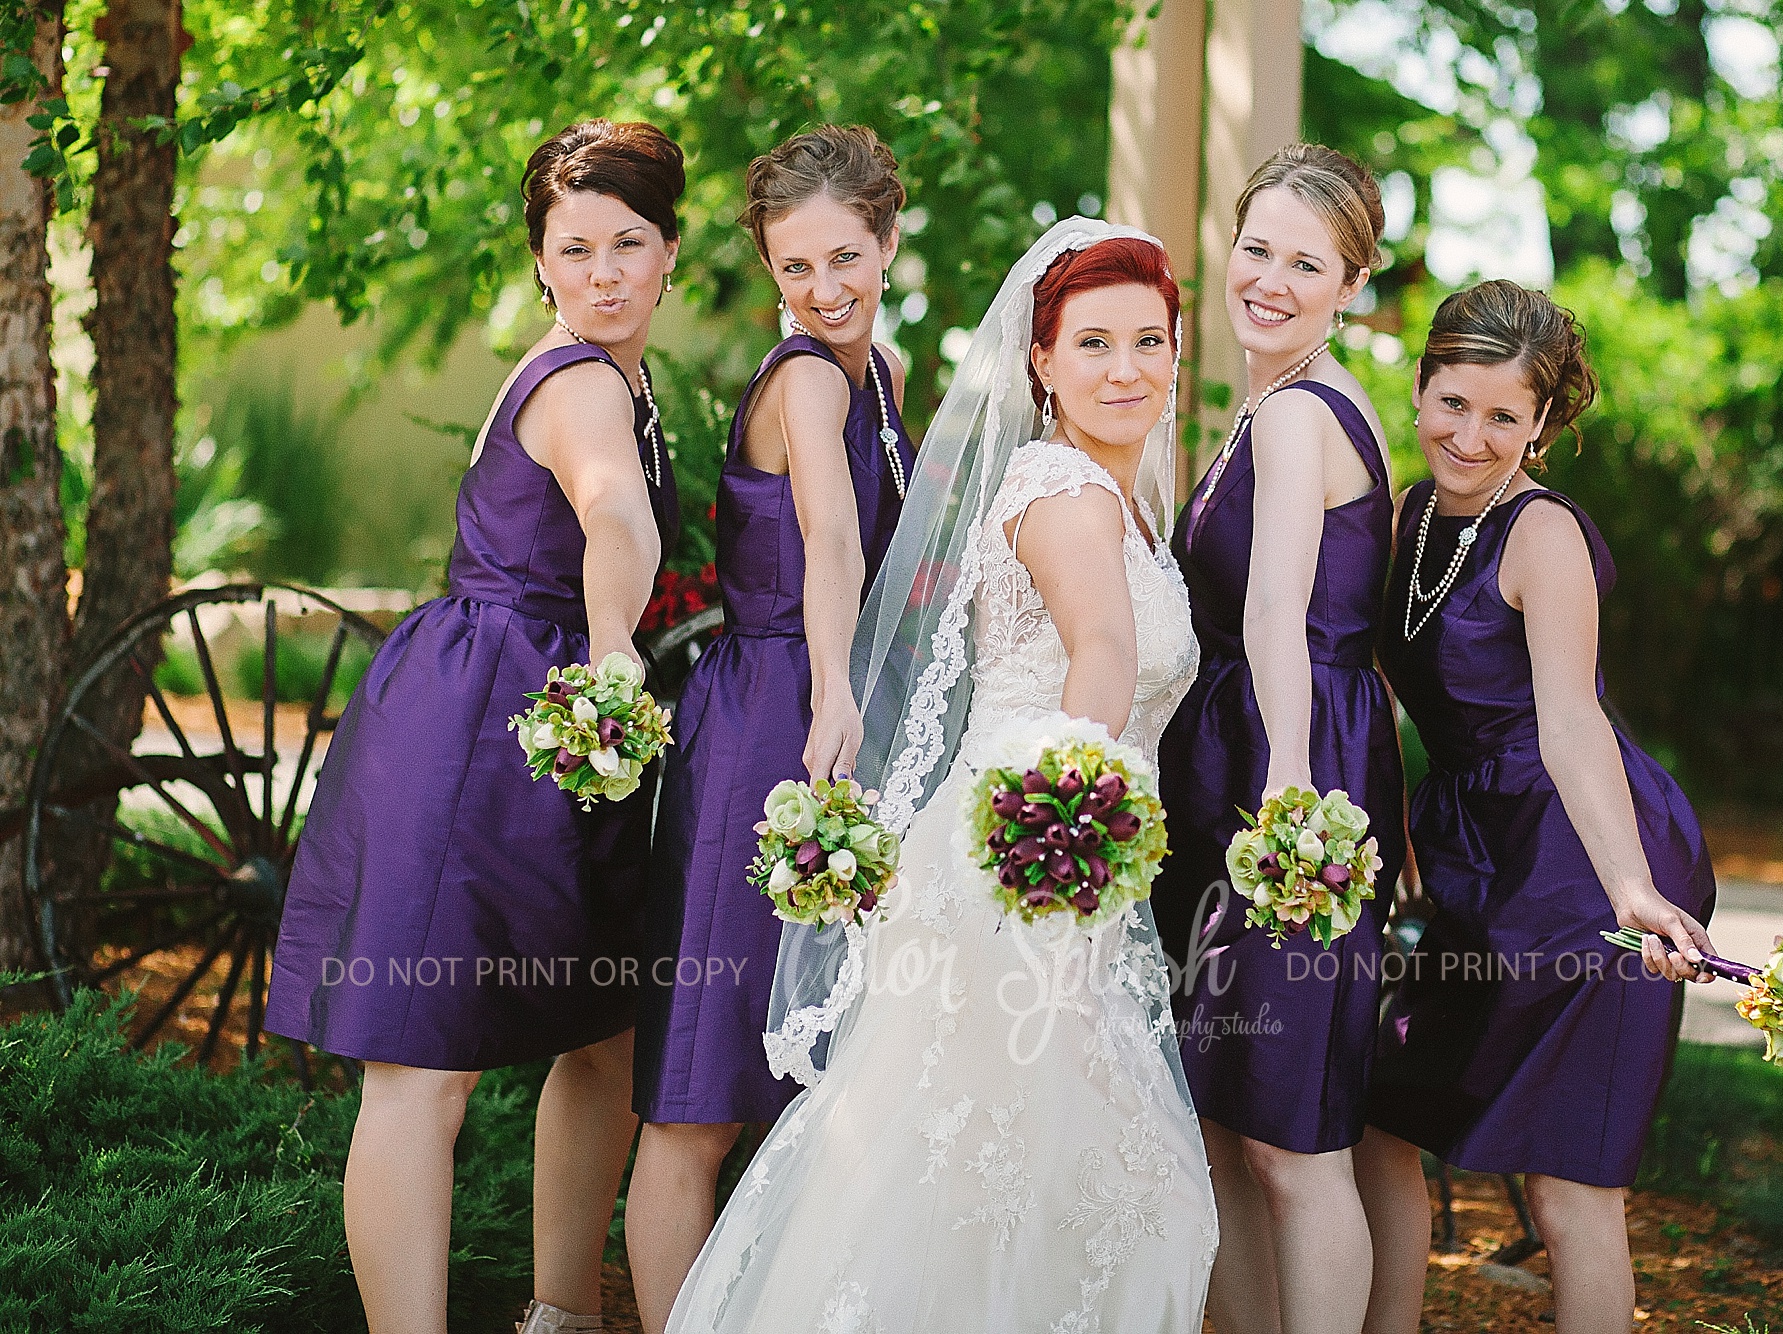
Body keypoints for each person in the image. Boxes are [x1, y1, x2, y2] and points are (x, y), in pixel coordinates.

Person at [664, 220, 1217, 1331]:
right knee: (1005, 1177)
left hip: (1062, 867)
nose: (1126, 369)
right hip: (1021, 869)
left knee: (1013, 1181)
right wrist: (1074, 808)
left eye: (1148, 342)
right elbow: (1100, 649)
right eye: (1093, 343)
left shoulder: (1126, 502)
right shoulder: (1062, 486)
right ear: (1041, 363)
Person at [264, 119, 684, 1334]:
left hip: (555, 733)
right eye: (573, 249)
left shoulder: (623, 375)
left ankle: (559, 1311)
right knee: (419, 1070)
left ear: (668, 252)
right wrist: (615, 645)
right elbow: (616, 517)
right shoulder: (581, 384)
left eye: (626, 243)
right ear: (541, 263)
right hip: (472, 730)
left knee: (602, 1033)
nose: (602, 272)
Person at [1353, 280, 1718, 1334]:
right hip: (1472, 857)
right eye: (1451, 403)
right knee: (1381, 1116)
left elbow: (1568, 724)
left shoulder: (1542, 535)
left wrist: (1630, 891)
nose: (1469, 435)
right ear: (1418, 386)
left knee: (1568, 1182)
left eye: (1503, 416)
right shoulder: (1408, 514)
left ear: (1541, 423)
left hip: (1579, 865)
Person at [623, 123, 913, 1333]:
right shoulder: (801, 376)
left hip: (839, 716)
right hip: (766, 723)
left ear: (889, 240)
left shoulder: (880, 370)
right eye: (795, 269)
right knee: (698, 1090)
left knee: (817, 1072)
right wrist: (839, 689)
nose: (823, 291)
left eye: (845, 258)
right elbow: (832, 542)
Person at [1153, 143, 1407, 1334]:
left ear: (1350, 283)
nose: (1269, 278)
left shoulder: (1303, 410)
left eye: (1306, 263)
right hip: (1247, 760)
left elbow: (1274, 611)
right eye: (1256, 248)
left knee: (1292, 1132)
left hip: (1291, 772)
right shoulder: (1271, 398)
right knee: (1222, 1111)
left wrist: (1295, 794)